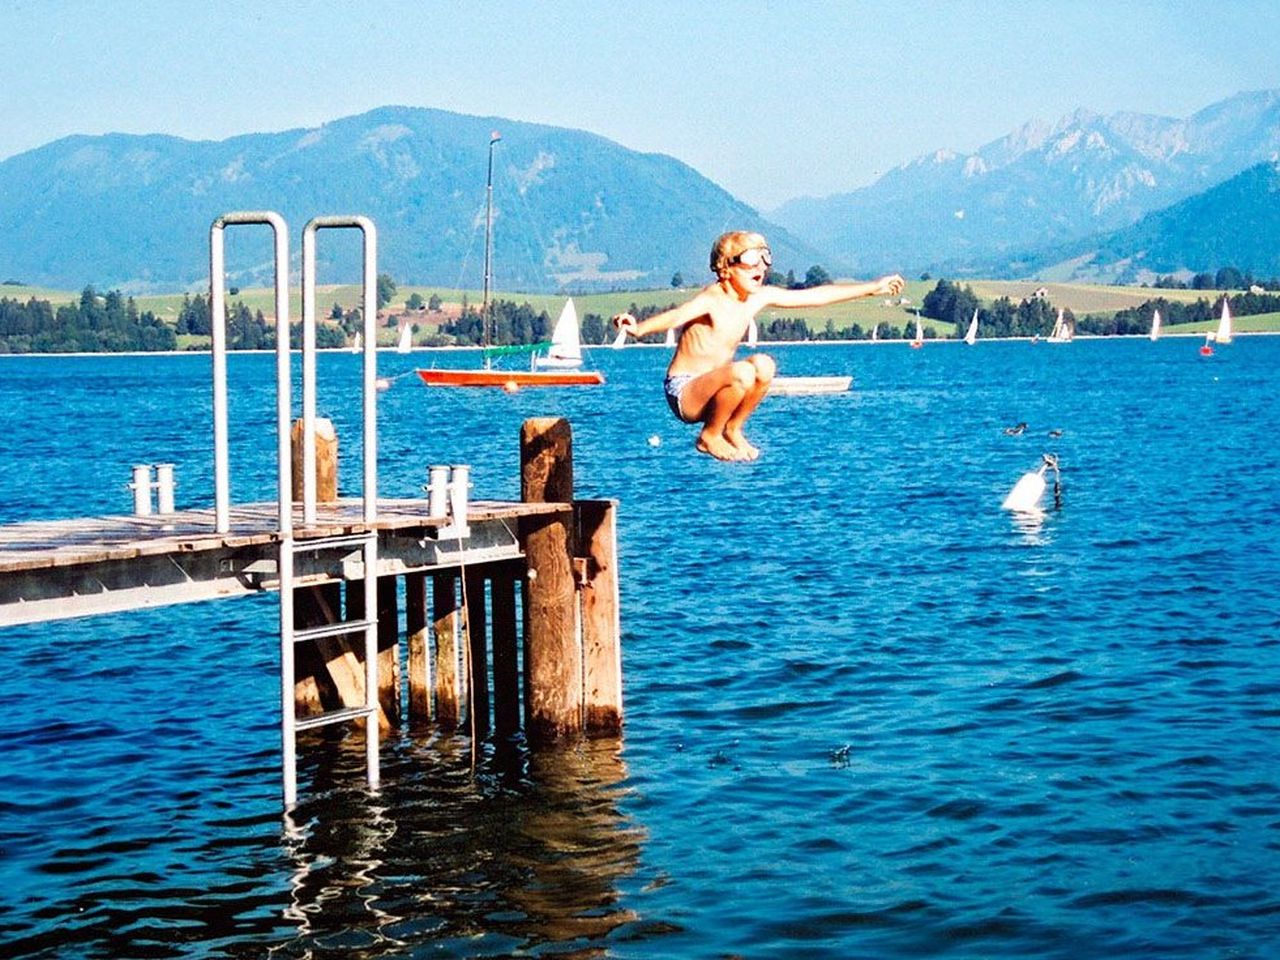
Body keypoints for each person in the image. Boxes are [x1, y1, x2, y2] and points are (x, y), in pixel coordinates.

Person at [613, 230, 905, 461]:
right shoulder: (712, 298)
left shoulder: (757, 297)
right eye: (751, 261)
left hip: (719, 390)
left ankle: (732, 428)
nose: (761, 268)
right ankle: (709, 436)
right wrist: (638, 328)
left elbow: (814, 296)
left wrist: (872, 287)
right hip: (686, 393)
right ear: (726, 268)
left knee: (764, 365)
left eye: (766, 260)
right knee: (741, 372)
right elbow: (675, 316)